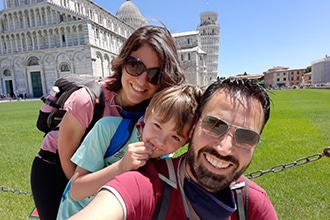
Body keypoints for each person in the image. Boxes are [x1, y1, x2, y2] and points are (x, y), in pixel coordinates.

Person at [30, 24, 185, 220]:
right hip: (56, 167)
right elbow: (68, 164)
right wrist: (93, 200)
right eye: (135, 66)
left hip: (102, 171)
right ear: (122, 63)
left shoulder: (154, 112)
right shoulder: (87, 100)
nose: (142, 81)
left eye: (155, 74)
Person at [69, 78, 278, 220]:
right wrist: (121, 167)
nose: (224, 148)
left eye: (246, 136)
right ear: (195, 126)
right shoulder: (147, 181)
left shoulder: (253, 203)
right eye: (215, 125)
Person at [56, 84, 203, 219]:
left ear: (185, 143)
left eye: (175, 137)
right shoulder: (108, 130)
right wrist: (121, 167)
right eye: (157, 126)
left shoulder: (166, 162)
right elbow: (76, 190)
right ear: (147, 115)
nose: (160, 141)